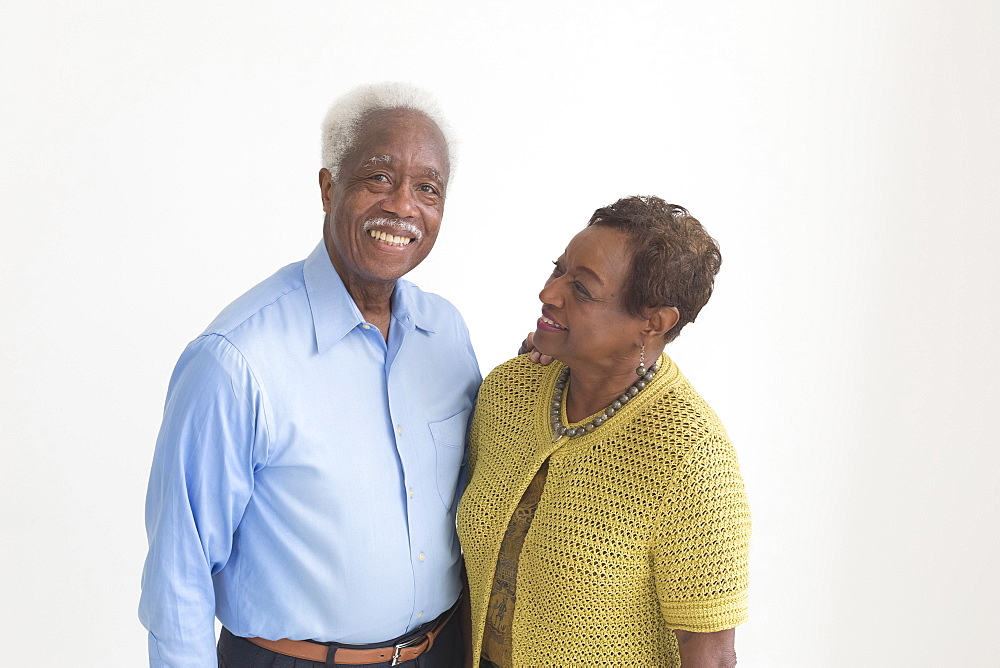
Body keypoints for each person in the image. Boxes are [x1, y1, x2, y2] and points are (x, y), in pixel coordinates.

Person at [139, 82, 481, 667]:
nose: (403, 206)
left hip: (442, 651)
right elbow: (179, 574)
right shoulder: (236, 359)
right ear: (328, 188)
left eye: (428, 188)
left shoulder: (446, 335)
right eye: (378, 177)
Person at [457, 196, 751, 667]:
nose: (548, 293)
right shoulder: (508, 392)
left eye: (583, 290)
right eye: (558, 270)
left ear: (653, 322)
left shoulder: (690, 456)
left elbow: (711, 656)